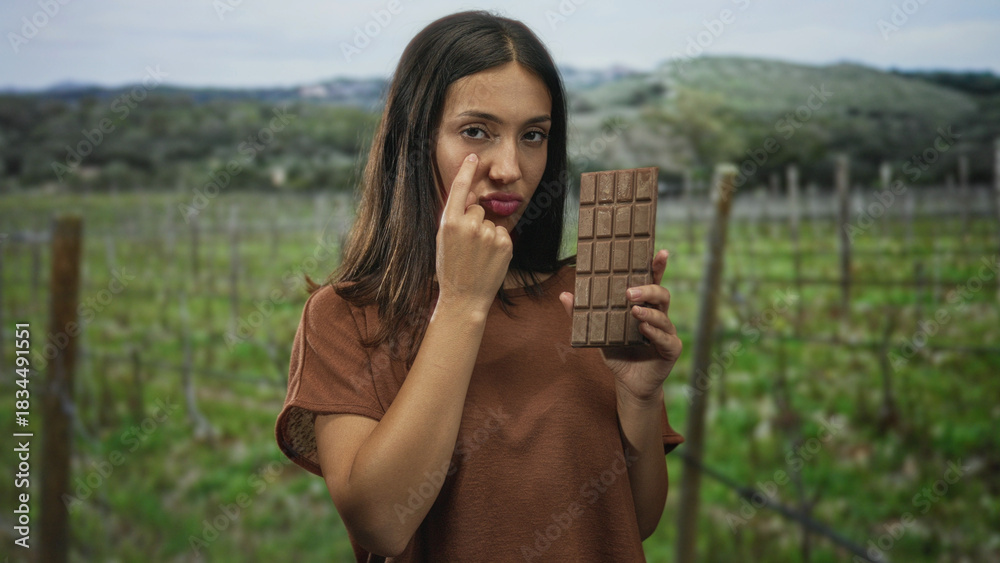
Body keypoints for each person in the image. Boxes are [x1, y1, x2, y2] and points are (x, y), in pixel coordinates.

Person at [275, 10, 684, 562]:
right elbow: (381, 524)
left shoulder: (586, 301)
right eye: (476, 131)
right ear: (416, 140)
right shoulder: (346, 318)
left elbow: (634, 521)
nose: (510, 166)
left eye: (533, 135)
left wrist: (640, 396)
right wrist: (463, 303)